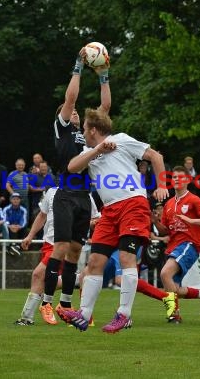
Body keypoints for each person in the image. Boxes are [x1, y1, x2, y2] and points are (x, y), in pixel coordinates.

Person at [62, 107, 169, 333]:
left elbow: (155, 156)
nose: (83, 131)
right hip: (109, 211)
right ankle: (84, 314)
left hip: (132, 203)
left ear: (92, 129)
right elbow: (72, 168)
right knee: (94, 263)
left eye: (84, 128)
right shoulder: (90, 150)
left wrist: (161, 185)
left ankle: (124, 314)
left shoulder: (120, 140)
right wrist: (98, 148)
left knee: (126, 257)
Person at [40, 47, 111, 324]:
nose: (77, 114)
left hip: (84, 196)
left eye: (79, 115)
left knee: (75, 252)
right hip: (66, 194)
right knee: (59, 249)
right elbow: (70, 97)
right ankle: (46, 303)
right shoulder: (63, 129)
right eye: (72, 113)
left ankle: (65, 305)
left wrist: (103, 75)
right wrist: (78, 66)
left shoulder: (87, 136)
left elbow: (105, 108)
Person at [15, 187, 100, 326]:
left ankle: (32, 314)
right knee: (43, 278)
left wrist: (87, 224)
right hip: (48, 243)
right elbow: (42, 215)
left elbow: (96, 219)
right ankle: (82, 280)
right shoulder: (52, 192)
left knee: (38, 274)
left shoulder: (85, 196)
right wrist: (30, 236)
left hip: (64, 244)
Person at [150, 166, 200, 322]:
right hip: (173, 246)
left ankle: (174, 314)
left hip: (189, 244)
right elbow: (165, 231)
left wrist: (192, 221)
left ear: (188, 180)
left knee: (165, 274)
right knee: (175, 289)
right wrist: (154, 221)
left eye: (180, 177)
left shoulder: (194, 200)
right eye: (174, 177)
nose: (177, 180)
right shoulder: (169, 204)